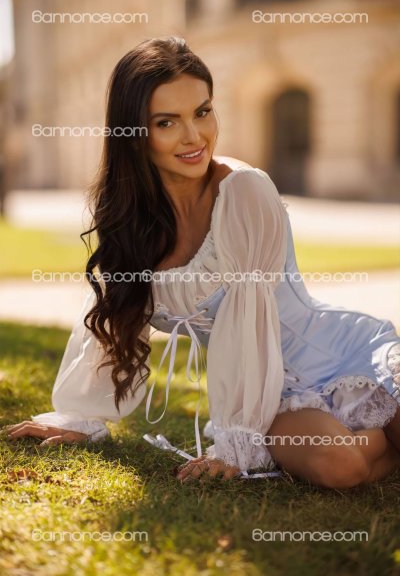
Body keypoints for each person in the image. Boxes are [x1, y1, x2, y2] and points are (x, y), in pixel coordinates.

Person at [5, 37, 400, 488]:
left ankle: (378, 419)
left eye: (202, 112)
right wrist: (80, 415)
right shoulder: (129, 220)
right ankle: (378, 439)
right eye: (166, 122)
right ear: (134, 135)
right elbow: (116, 317)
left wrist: (236, 441)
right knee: (341, 467)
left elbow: (248, 321)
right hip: (272, 396)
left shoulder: (244, 191)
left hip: (344, 356)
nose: (194, 136)